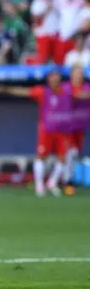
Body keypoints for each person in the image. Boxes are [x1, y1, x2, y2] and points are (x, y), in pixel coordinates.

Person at [0, 70, 71, 197]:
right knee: (41, 157)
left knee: (63, 158)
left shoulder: (67, 91)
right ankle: (39, 185)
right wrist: (7, 89)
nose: (54, 80)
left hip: (62, 130)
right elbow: (24, 91)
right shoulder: (43, 92)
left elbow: (81, 94)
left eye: (56, 78)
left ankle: (52, 183)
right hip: (47, 130)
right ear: (48, 80)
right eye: (52, 78)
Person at [61, 65, 90, 195]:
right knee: (70, 153)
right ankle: (67, 182)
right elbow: (70, 96)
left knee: (75, 154)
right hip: (66, 126)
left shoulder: (86, 86)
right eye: (77, 73)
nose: (79, 76)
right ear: (71, 75)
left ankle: (67, 180)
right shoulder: (66, 87)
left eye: (81, 73)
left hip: (80, 127)